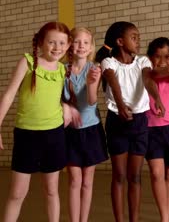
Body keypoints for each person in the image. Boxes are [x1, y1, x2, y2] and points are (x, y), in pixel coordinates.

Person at [0, 22, 71, 222]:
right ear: (41, 42)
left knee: (51, 190)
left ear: (67, 46)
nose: (57, 47)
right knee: (17, 193)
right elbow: (9, 94)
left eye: (62, 43)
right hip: (27, 135)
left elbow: (59, 96)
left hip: (54, 134)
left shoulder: (62, 69)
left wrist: (66, 107)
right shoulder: (28, 62)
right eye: (51, 42)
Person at [98, 21, 164, 222]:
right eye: (133, 37)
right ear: (120, 41)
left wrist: (157, 98)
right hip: (117, 121)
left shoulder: (142, 61)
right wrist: (120, 104)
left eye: (138, 37)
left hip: (139, 122)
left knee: (135, 176)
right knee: (119, 175)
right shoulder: (108, 63)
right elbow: (113, 82)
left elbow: (147, 80)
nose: (138, 40)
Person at [63, 27, 109, 222]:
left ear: (91, 47)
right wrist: (67, 107)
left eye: (85, 42)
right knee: (74, 180)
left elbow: (91, 101)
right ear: (70, 45)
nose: (81, 45)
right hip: (70, 132)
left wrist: (92, 83)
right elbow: (58, 99)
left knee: (87, 182)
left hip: (90, 130)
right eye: (76, 41)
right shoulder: (62, 70)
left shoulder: (94, 69)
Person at [145, 37, 169, 222]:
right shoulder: (147, 72)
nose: (162, 60)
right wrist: (166, 68)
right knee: (156, 173)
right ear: (150, 57)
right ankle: (165, 217)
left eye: (167, 56)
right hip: (151, 129)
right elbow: (155, 73)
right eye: (158, 56)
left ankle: (166, 215)